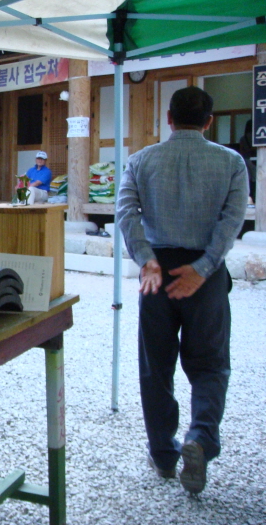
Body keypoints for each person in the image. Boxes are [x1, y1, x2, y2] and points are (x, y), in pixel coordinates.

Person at [116, 86, 248, 495]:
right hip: (204, 277)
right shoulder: (231, 161)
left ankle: (162, 454)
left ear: (169, 119)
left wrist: (147, 260)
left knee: (156, 366)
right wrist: (204, 267)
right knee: (210, 364)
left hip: (157, 273)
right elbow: (233, 219)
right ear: (209, 122)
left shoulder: (141, 160)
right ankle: (200, 438)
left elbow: (126, 212)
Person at [238, 119, 256, 202]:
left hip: (245, 160)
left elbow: (241, 150)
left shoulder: (243, 138)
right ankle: (255, 197)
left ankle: (249, 196)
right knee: (255, 179)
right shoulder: (256, 137)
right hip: (255, 160)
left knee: (248, 180)